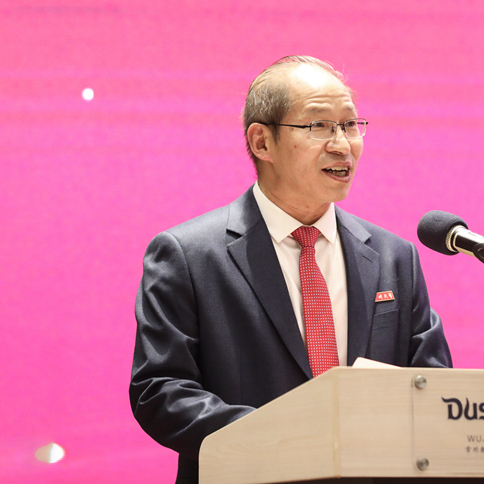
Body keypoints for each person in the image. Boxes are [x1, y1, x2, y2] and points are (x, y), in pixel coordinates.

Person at [130, 56, 452, 483]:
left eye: (350, 125)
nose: (342, 144)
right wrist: (287, 441)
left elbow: (432, 387)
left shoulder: (395, 257)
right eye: (319, 126)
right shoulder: (188, 256)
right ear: (262, 142)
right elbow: (161, 390)